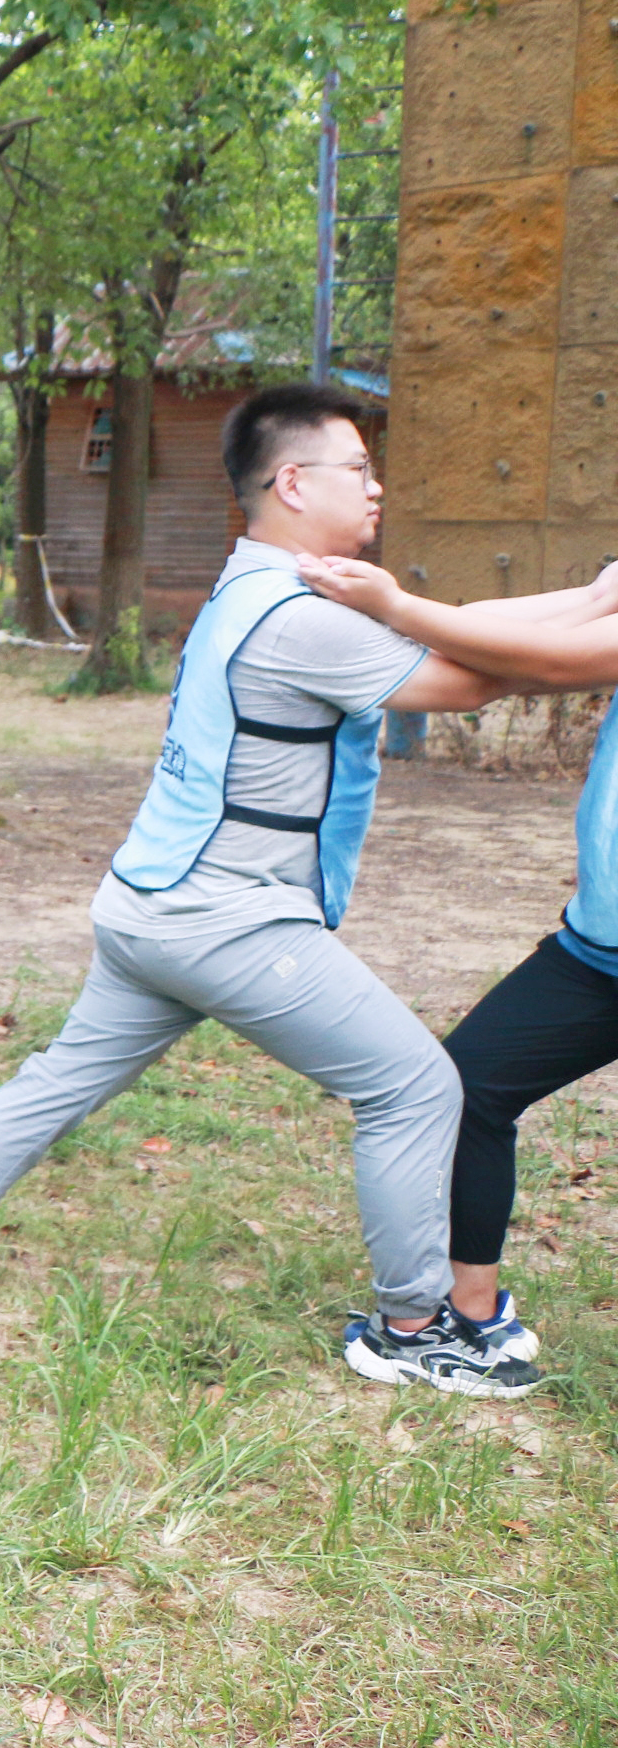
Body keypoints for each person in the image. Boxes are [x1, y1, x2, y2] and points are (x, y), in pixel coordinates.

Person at [0, 381, 545, 1399]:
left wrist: (592, 602)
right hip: (225, 921)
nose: (377, 487)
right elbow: (478, 679)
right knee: (415, 1086)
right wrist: (591, 615)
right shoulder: (300, 619)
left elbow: (463, 642)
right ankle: (412, 1328)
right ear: (294, 483)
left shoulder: (245, 585)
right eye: (359, 468)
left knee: (61, 1077)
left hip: (150, 904)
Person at [291, 545, 618, 1370]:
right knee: (468, 1085)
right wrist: (391, 616)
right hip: (598, 956)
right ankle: (474, 1309)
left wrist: (396, 607)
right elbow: (514, 626)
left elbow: (548, 660)